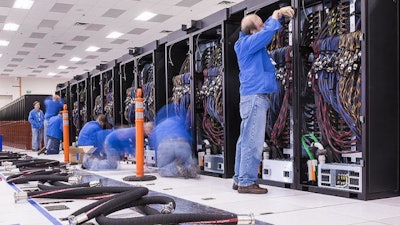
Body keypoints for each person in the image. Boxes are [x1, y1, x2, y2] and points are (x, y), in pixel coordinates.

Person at [233, 7, 295, 194]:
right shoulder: (246, 44)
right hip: (255, 97)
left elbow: (264, 33)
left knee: (244, 140)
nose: (263, 27)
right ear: (252, 31)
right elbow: (266, 34)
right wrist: (275, 16)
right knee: (253, 140)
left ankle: (239, 178)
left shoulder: (251, 46)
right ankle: (246, 181)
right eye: (260, 25)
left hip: (253, 97)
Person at [149, 103, 198, 179]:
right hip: (182, 142)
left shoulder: (158, 126)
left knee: (162, 169)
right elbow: (188, 133)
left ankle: (176, 169)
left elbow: (154, 142)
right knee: (186, 161)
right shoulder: (178, 120)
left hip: (165, 143)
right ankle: (190, 167)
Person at [82, 122, 153, 170]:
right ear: (146, 128)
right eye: (150, 129)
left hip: (112, 142)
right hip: (111, 143)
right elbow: (129, 143)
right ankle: (88, 162)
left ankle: (89, 162)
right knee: (111, 165)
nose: (150, 132)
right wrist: (137, 155)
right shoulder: (136, 131)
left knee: (112, 165)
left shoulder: (138, 131)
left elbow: (134, 146)